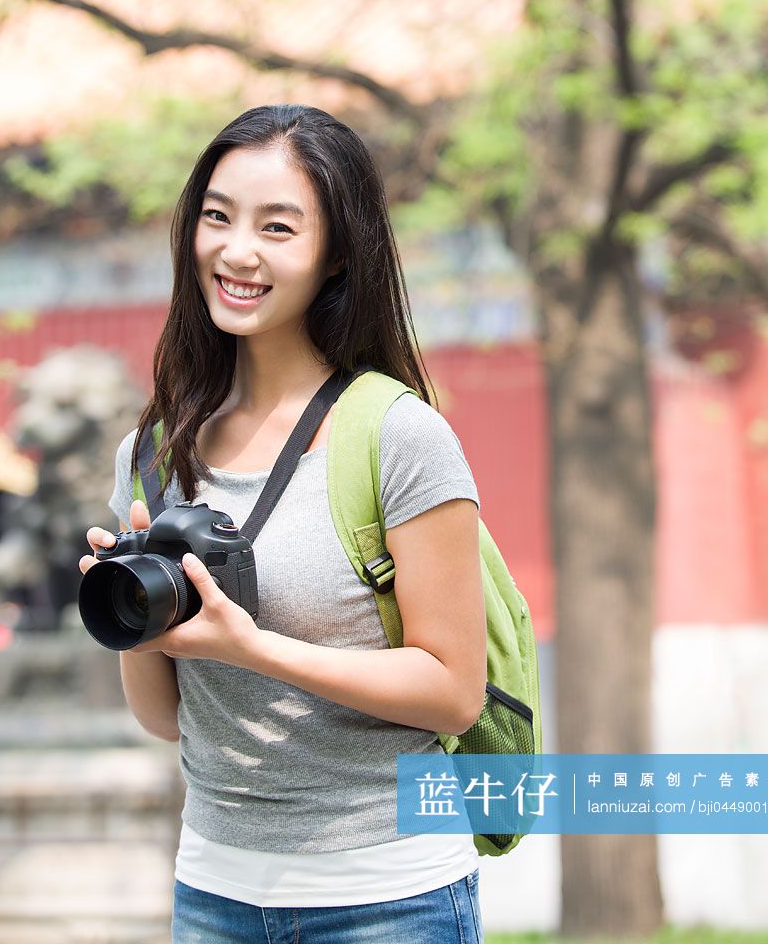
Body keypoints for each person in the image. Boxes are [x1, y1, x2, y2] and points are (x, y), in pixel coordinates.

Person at [79, 103, 487, 944]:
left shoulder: (395, 434)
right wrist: (132, 613)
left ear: (335, 253)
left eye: (277, 227)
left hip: (386, 897)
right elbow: (168, 718)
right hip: (212, 894)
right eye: (217, 216)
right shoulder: (153, 452)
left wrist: (251, 646)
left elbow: (453, 692)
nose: (236, 251)